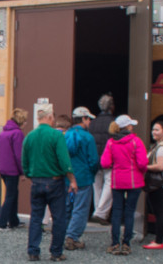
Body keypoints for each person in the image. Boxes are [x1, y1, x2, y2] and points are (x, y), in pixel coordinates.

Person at [21, 106, 75, 261]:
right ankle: (56, 252)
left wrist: (29, 174)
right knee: (59, 218)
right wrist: (72, 179)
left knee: (36, 217)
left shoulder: (30, 136)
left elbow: (24, 160)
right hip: (55, 181)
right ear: (50, 118)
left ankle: (33, 251)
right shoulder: (56, 136)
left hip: (36, 182)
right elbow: (64, 161)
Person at [99, 115, 148, 256]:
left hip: (117, 181)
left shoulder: (111, 143)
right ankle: (126, 243)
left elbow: (105, 163)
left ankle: (115, 243)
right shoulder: (136, 141)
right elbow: (143, 163)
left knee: (116, 212)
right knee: (129, 212)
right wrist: (142, 172)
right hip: (134, 181)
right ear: (128, 127)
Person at [62, 106, 99, 252]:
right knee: (80, 209)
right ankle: (72, 237)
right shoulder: (88, 137)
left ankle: (63, 234)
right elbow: (94, 161)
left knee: (67, 207)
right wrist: (92, 173)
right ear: (83, 119)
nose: (89, 122)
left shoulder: (65, 136)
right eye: (88, 119)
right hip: (83, 179)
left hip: (67, 180)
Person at [142, 120, 163, 251]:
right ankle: (158, 238)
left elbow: (160, 166)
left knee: (159, 212)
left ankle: (159, 241)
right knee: (158, 212)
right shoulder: (159, 145)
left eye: (157, 130)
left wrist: (144, 167)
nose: (153, 132)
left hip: (158, 184)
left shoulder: (162, 147)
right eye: (153, 129)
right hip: (158, 184)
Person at [0, 108, 29, 231]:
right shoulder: (17, 134)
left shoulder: (3, 133)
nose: (26, 124)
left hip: (2, 169)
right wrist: (23, 171)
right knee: (10, 196)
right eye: (25, 121)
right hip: (12, 170)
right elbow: (19, 155)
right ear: (21, 121)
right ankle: (1, 223)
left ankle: (14, 221)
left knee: (13, 194)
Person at [89, 94, 116, 225]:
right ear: (112, 107)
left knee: (96, 185)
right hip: (108, 159)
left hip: (94, 158)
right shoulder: (113, 123)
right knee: (109, 184)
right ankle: (101, 213)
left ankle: (97, 211)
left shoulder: (92, 123)